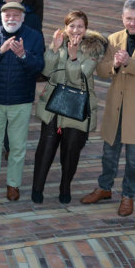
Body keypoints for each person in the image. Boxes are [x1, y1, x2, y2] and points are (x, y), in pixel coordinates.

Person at [82, 0, 135, 217]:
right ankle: (104, 188)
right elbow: (101, 71)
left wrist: (131, 63)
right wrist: (115, 65)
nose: (132, 23)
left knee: (133, 160)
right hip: (116, 108)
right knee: (109, 153)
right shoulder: (114, 39)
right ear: (122, 17)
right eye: (128, 18)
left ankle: (128, 196)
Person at [31, 11, 108, 205]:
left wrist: (73, 57)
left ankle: (65, 187)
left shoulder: (93, 49)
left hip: (77, 107)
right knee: (45, 148)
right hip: (53, 106)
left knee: (70, 151)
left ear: (85, 28)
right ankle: (37, 188)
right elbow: (47, 72)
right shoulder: (59, 42)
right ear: (66, 27)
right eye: (71, 26)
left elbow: (79, 77)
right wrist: (53, 51)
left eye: (80, 26)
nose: (75, 30)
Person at [0, 1, 46, 201]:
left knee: (17, 146)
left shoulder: (33, 36)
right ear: (1, 16)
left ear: (23, 17)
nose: (11, 18)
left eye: (16, 15)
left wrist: (23, 55)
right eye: (7, 15)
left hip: (21, 100)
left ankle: (13, 184)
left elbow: (39, 67)